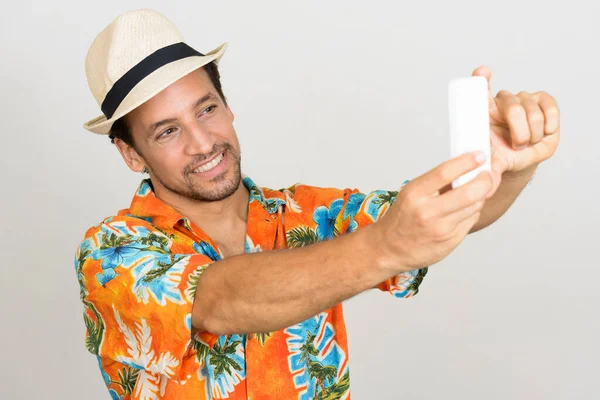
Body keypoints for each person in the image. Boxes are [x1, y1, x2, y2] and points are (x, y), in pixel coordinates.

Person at [74, 8, 561, 400]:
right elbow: (218, 303)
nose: (203, 143)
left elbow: (440, 214)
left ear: (228, 105)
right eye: (167, 131)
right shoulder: (111, 252)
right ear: (131, 153)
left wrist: (506, 168)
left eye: (207, 109)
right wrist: (386, 247)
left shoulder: (308, 212)